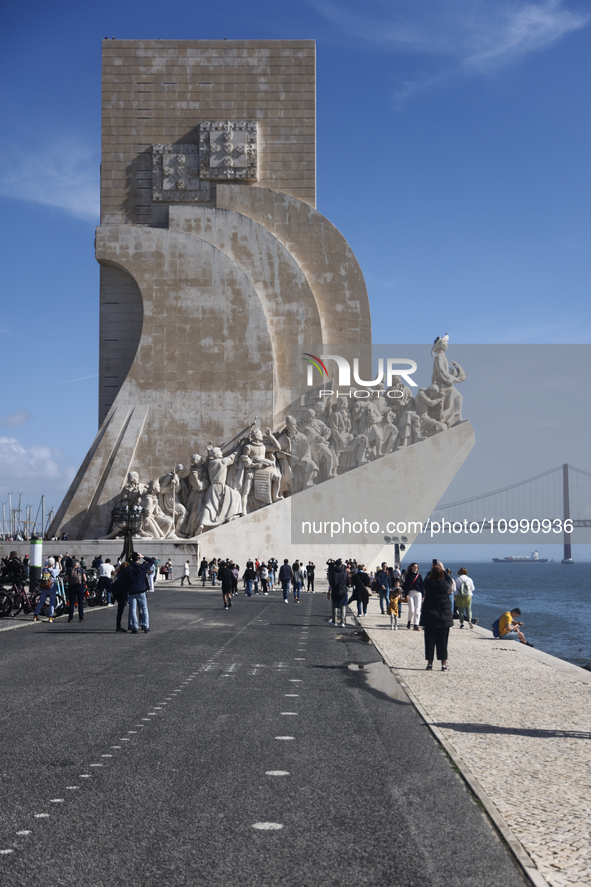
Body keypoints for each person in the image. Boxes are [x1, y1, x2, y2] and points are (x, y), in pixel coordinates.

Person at [420, 563, 453, 671]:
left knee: (429, 641)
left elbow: (425, 580)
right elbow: (449, 580)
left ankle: (429, 664)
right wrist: (442, 569)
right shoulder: (445, 584)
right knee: (443, 642)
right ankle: (444, 665)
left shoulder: (428, 583)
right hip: (443, 617)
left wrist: (431, 570)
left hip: (430, 616)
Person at [123, 552, 156, 633]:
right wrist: (143, 556)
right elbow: (153, 562)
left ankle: (135, 627)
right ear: (138, 558)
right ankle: (145, 626)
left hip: (132, 591)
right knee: (144, 609)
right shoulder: (142, 567)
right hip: (141, 590)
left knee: (132, 610)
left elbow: (125, 581)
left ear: (131, 559)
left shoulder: (128, 569)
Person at [33, 556, 61, 623]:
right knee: (51, 602)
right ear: (53, 564)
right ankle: (50, 617)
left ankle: (35, 616)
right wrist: (59, 562)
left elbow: (46, 568)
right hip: (52, 586)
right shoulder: (54, 571)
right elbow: (61, 569)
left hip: (44, 586)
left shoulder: (44, 570)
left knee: (41, 601)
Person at [404, 562, 424, 631]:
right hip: (410, 593)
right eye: (414, 566)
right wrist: (406, 594)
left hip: (418, 593)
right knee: (411, 610)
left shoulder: (419, 576)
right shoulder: (408, 575)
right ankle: (409, 621)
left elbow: (421, 586)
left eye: (417, 567)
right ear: (412, 567)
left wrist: (423, 595)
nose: (416, 568)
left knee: (418, 610)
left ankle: (416, 624)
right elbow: (406, 585)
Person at [328, 558, 348, 626]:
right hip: (343, 589)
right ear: (341, 564)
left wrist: (331, 587)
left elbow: (331, 581)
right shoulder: (345, 571)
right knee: (343, 606)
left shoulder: (333, 571)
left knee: (334, 605)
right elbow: (348, 581)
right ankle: (342, 622)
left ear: (335, 564)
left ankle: (334, 621)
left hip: (335, 589)